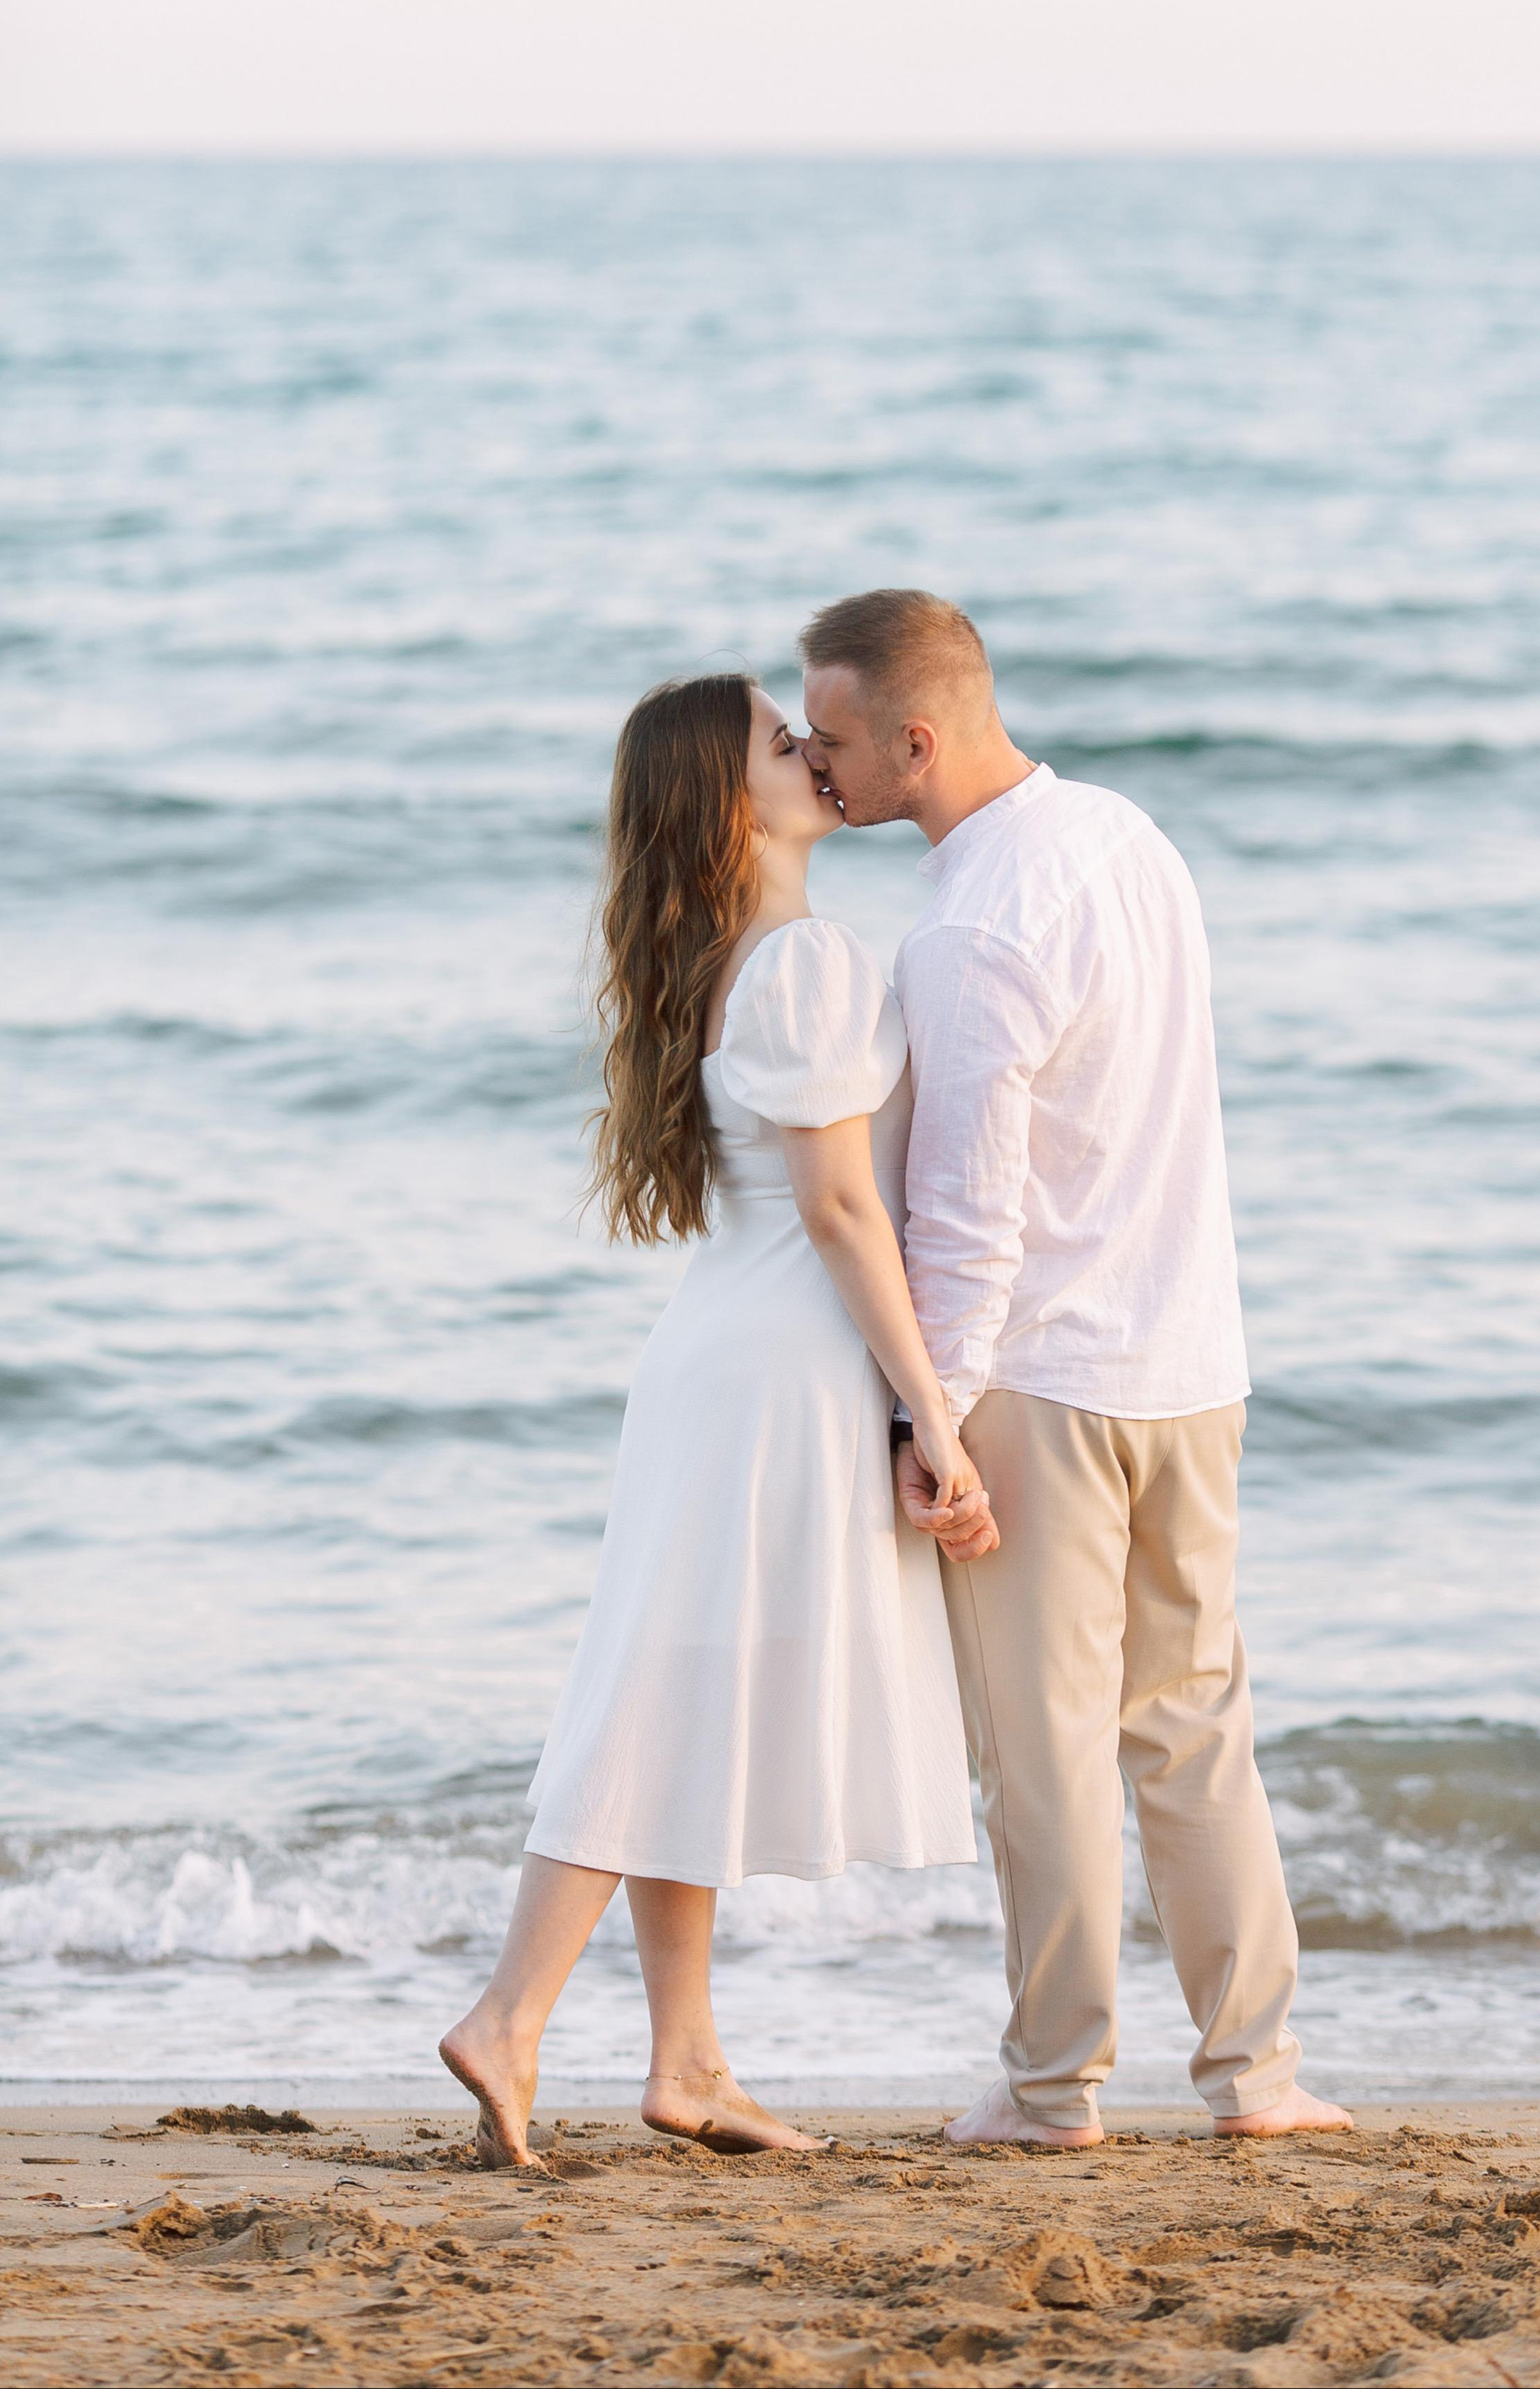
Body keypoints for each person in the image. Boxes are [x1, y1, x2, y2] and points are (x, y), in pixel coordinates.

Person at [799, 589, 1349, 2147]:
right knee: (1188, 1725)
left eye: (832, 738)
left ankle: (1052, 2089)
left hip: (1045, 1374)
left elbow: (970, 1213)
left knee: (1040, 1752)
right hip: (1191, 1356)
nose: (812, 763)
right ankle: (1259, 2077)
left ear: (914, 737)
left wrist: (933, 1421)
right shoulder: (1122, 834)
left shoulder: (970, 927)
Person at [441, 672, 993, 2169]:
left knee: (673, 1693)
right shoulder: (801, 961)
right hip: (773, 1381)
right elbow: (836, 1210)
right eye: (778, 739)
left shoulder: (739, 960)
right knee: (654, 1699)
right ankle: (508, 2017)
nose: (812, 752)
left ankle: (686, 2062)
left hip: (726, 1365)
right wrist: (932, 1413)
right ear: (722, 799)